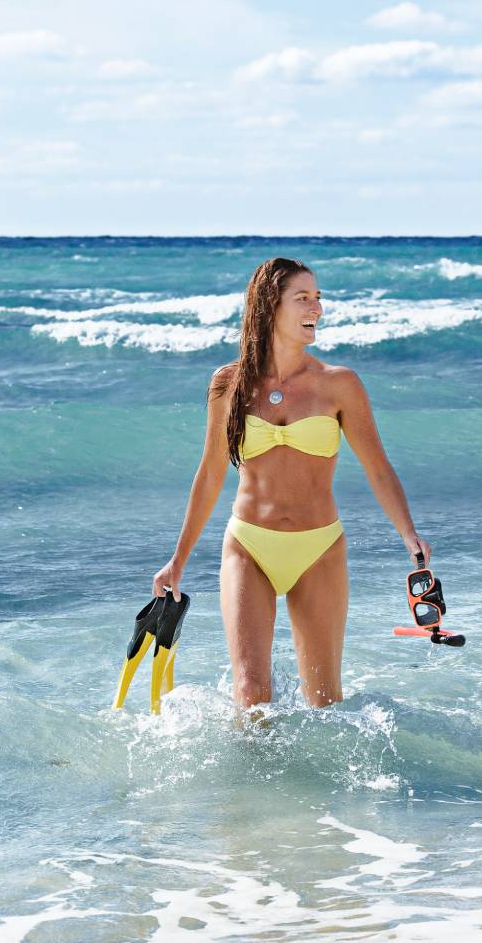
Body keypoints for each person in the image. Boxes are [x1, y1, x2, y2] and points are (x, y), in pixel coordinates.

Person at [154, 257, 430, 709]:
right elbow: (210, 473)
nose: (316, 308)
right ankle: (247, 782)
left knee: (325, 700)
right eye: (303, 298)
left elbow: (377, 466)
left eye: (318, 297)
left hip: (318, 547)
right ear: (269, 306)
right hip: (248, 544)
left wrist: (408, 532)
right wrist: (177, 560)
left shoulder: (338, 384)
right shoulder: (229, 383)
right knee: (251, 693)